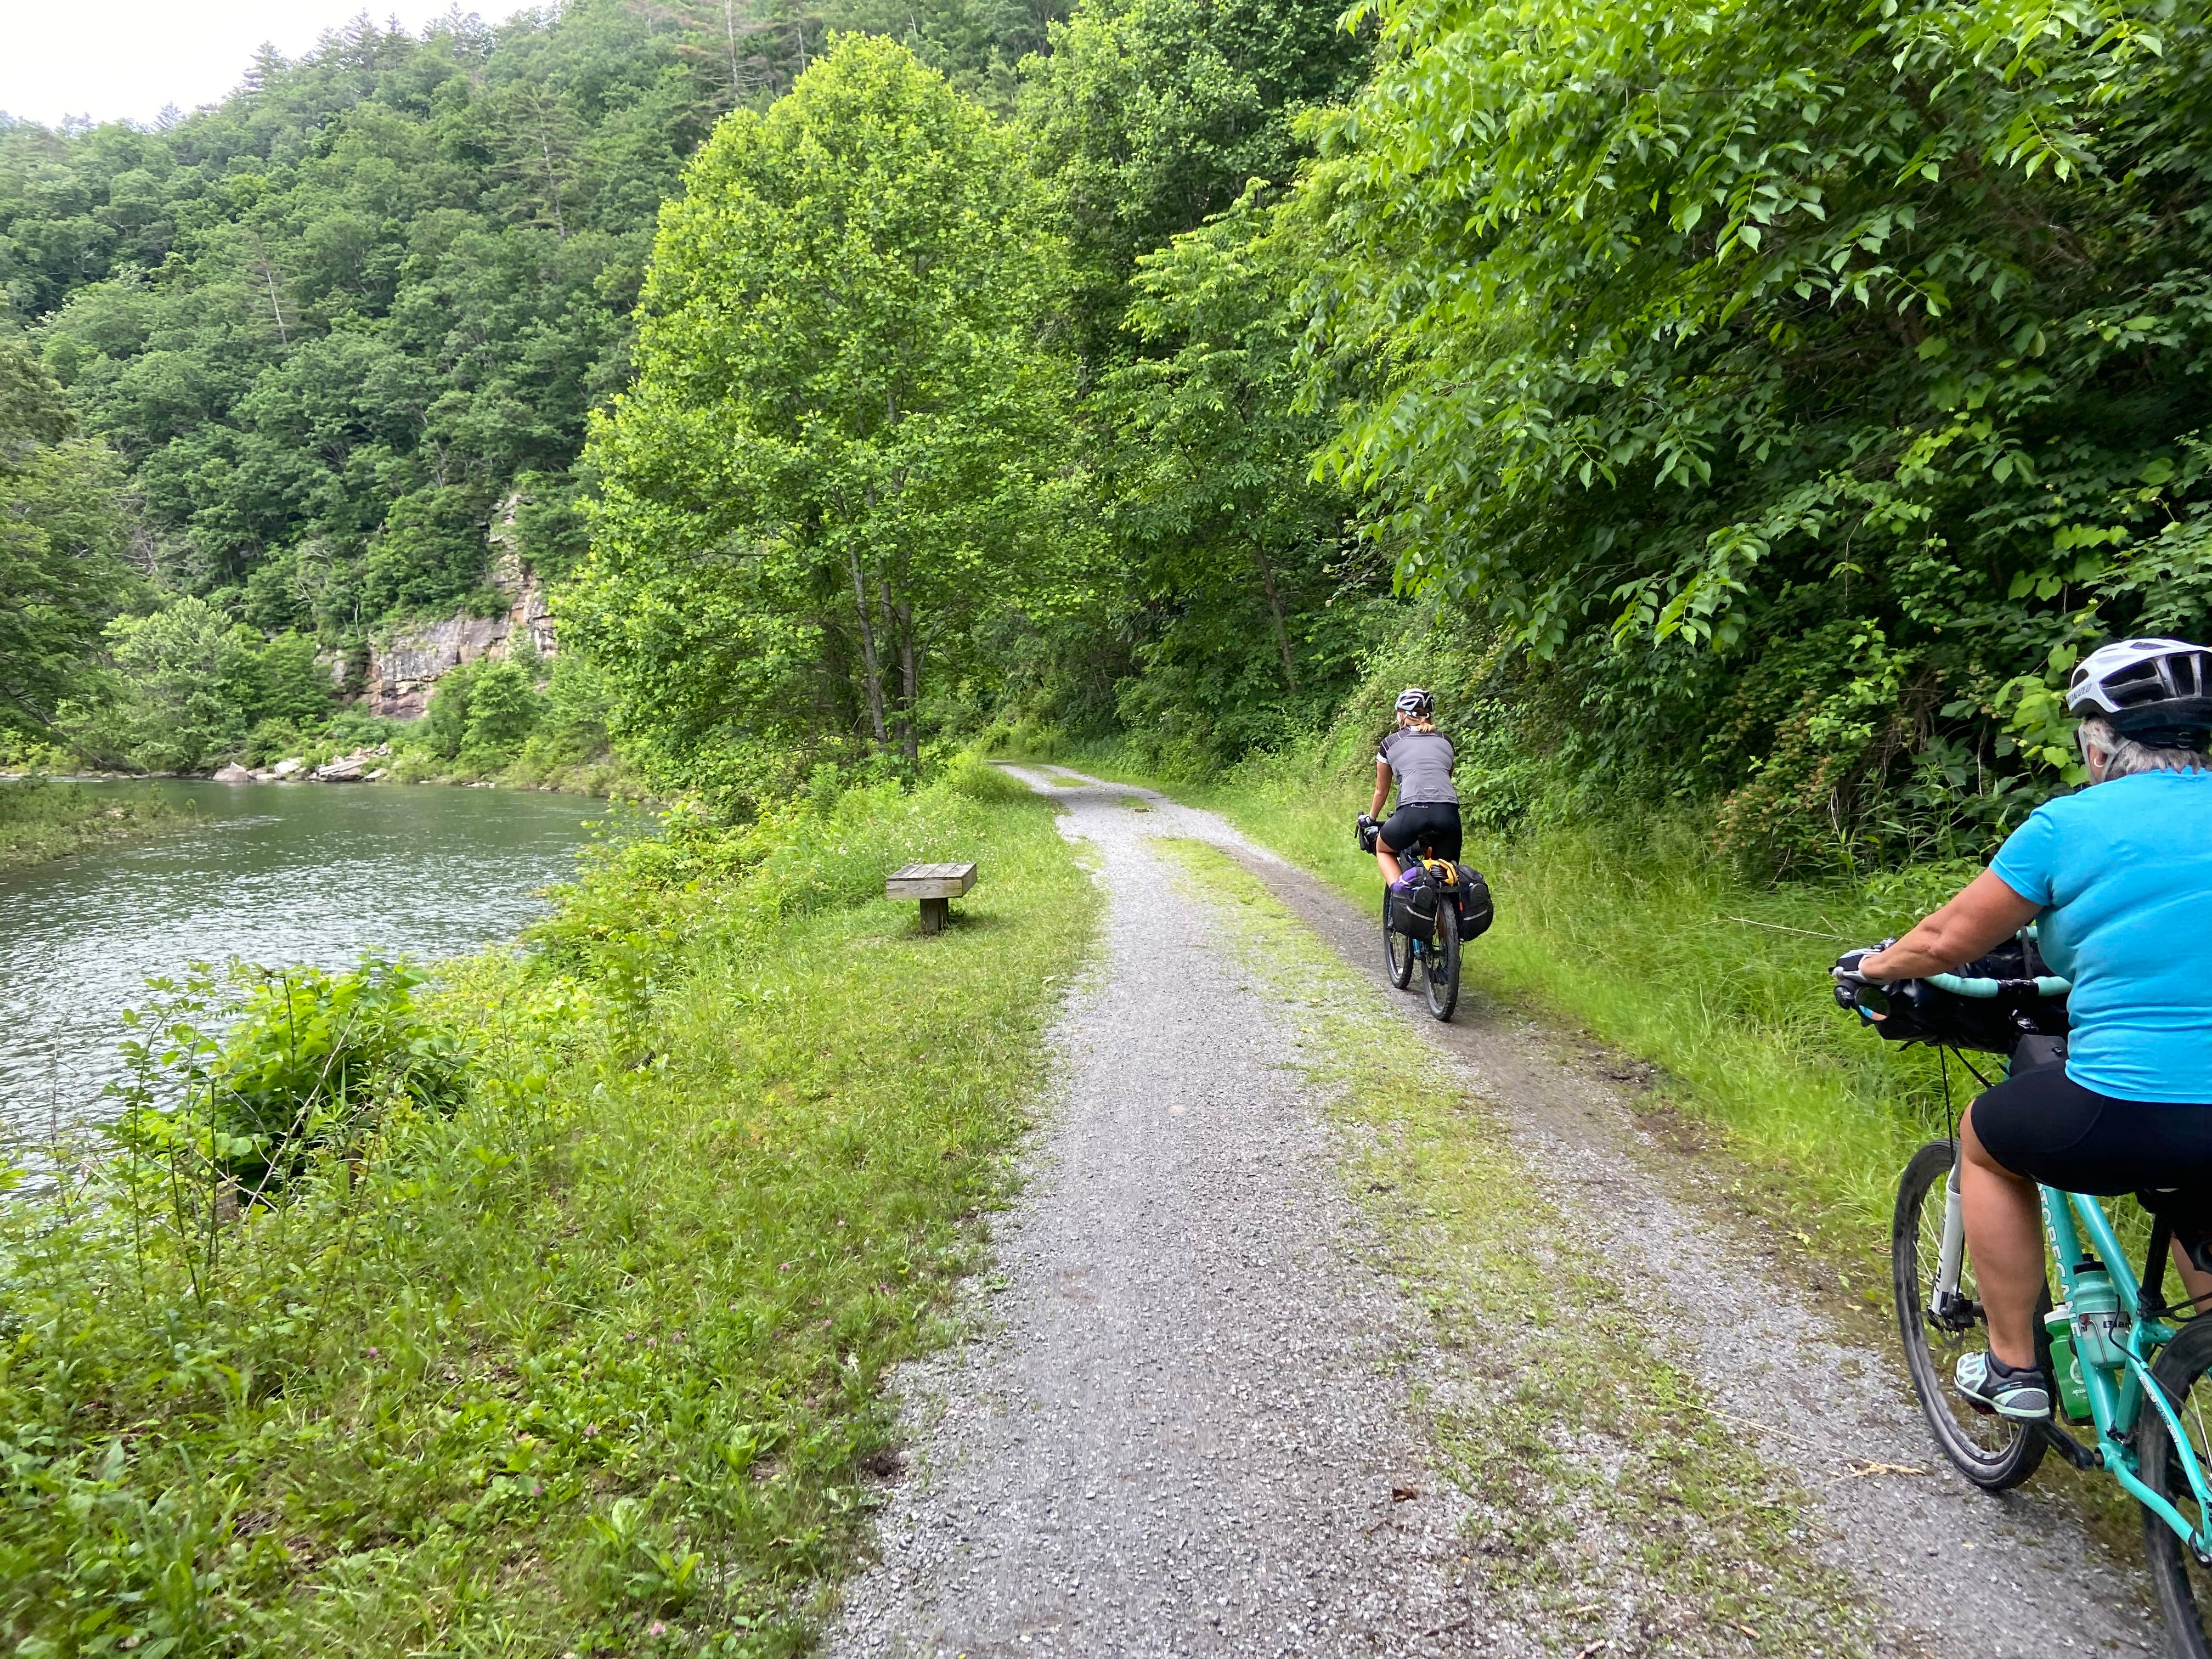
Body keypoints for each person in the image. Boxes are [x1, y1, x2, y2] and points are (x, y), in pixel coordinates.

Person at [1838, 637, 2212, 1420]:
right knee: (2191, 1184)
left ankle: (2014, 1368)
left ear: (2097, 740)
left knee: (1987, 1136)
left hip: (2131, 1101)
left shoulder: (2068, 826)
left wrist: (1875, 968)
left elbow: (1946, 943)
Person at [1366, 687, 1460, 884]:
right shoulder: (1446, 741)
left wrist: (1371, 818)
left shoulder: (1390, 743)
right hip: (1448, 814)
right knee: (1447, 876)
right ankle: (1449, 909)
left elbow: (1381, 791)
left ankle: (1403, 888)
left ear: (1402, 715)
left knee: (1383, 849)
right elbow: (1445, 777)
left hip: (1412, 811)